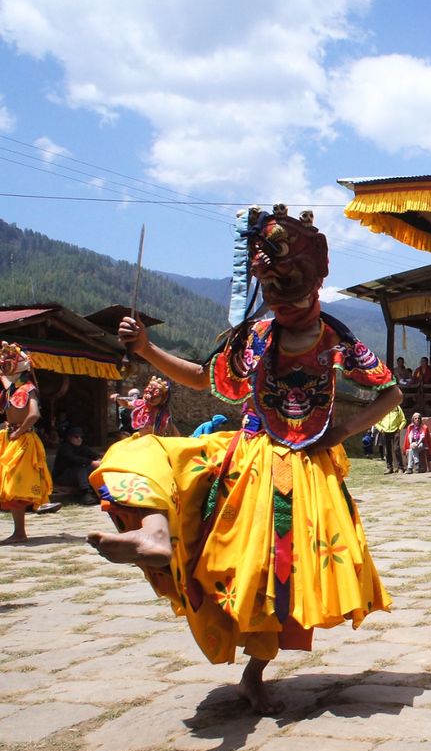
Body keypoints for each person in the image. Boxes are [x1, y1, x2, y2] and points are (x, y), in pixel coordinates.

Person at [84, 206, 398, 713]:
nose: (281, 302)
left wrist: (338, 432)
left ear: (314, 286)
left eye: (289, 291)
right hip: (248, 455)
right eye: (273, 292)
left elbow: (390, 393)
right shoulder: (255, 337)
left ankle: (254, 671)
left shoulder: (337, 338)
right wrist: (146, 348)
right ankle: (154, 532)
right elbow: (201, 378)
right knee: (144, 450)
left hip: (305, 470)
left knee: (276, 575)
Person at [0, 341, 54, 544]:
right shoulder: (13, 387)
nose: (4, 366)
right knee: (7, 484)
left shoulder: (28, 388)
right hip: (9, 438)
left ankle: (19, 533)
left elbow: (34, 414)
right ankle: (18, 532)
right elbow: (3, 377)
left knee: (15, 485)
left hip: (21, 440)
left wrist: (19, 431)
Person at [111, 376, 178, 437]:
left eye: (154, 395)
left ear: (163, 398)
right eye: (148, 393)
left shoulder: (161, 412)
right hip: (142, 438)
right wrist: (118, 398)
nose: (149, 397)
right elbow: (126, 404)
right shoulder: (141, 404)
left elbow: (171, 428)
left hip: (155, 441)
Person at [51, 426, 102, 504]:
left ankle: (99, 491)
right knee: (81, 466)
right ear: (69, 438)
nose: (79, 439)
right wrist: (91, 462)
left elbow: (94, 455)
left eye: (81, 437)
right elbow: (73, 459)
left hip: (78, 476)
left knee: (95, 468)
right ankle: (85, 493)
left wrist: (98, 460)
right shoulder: (64, 448)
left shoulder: (83, 447)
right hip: (62, 477)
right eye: (76, 437)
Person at [373, 401, 406, 474]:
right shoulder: (382, 409)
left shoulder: (397, 408)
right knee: (387, 450)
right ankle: (389, 468)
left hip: (395, 431)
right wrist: (381, 429)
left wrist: (399, 429)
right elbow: (376, 421)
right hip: (385, 432)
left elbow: (403, 420)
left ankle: (400, 467)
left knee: (396, 449)